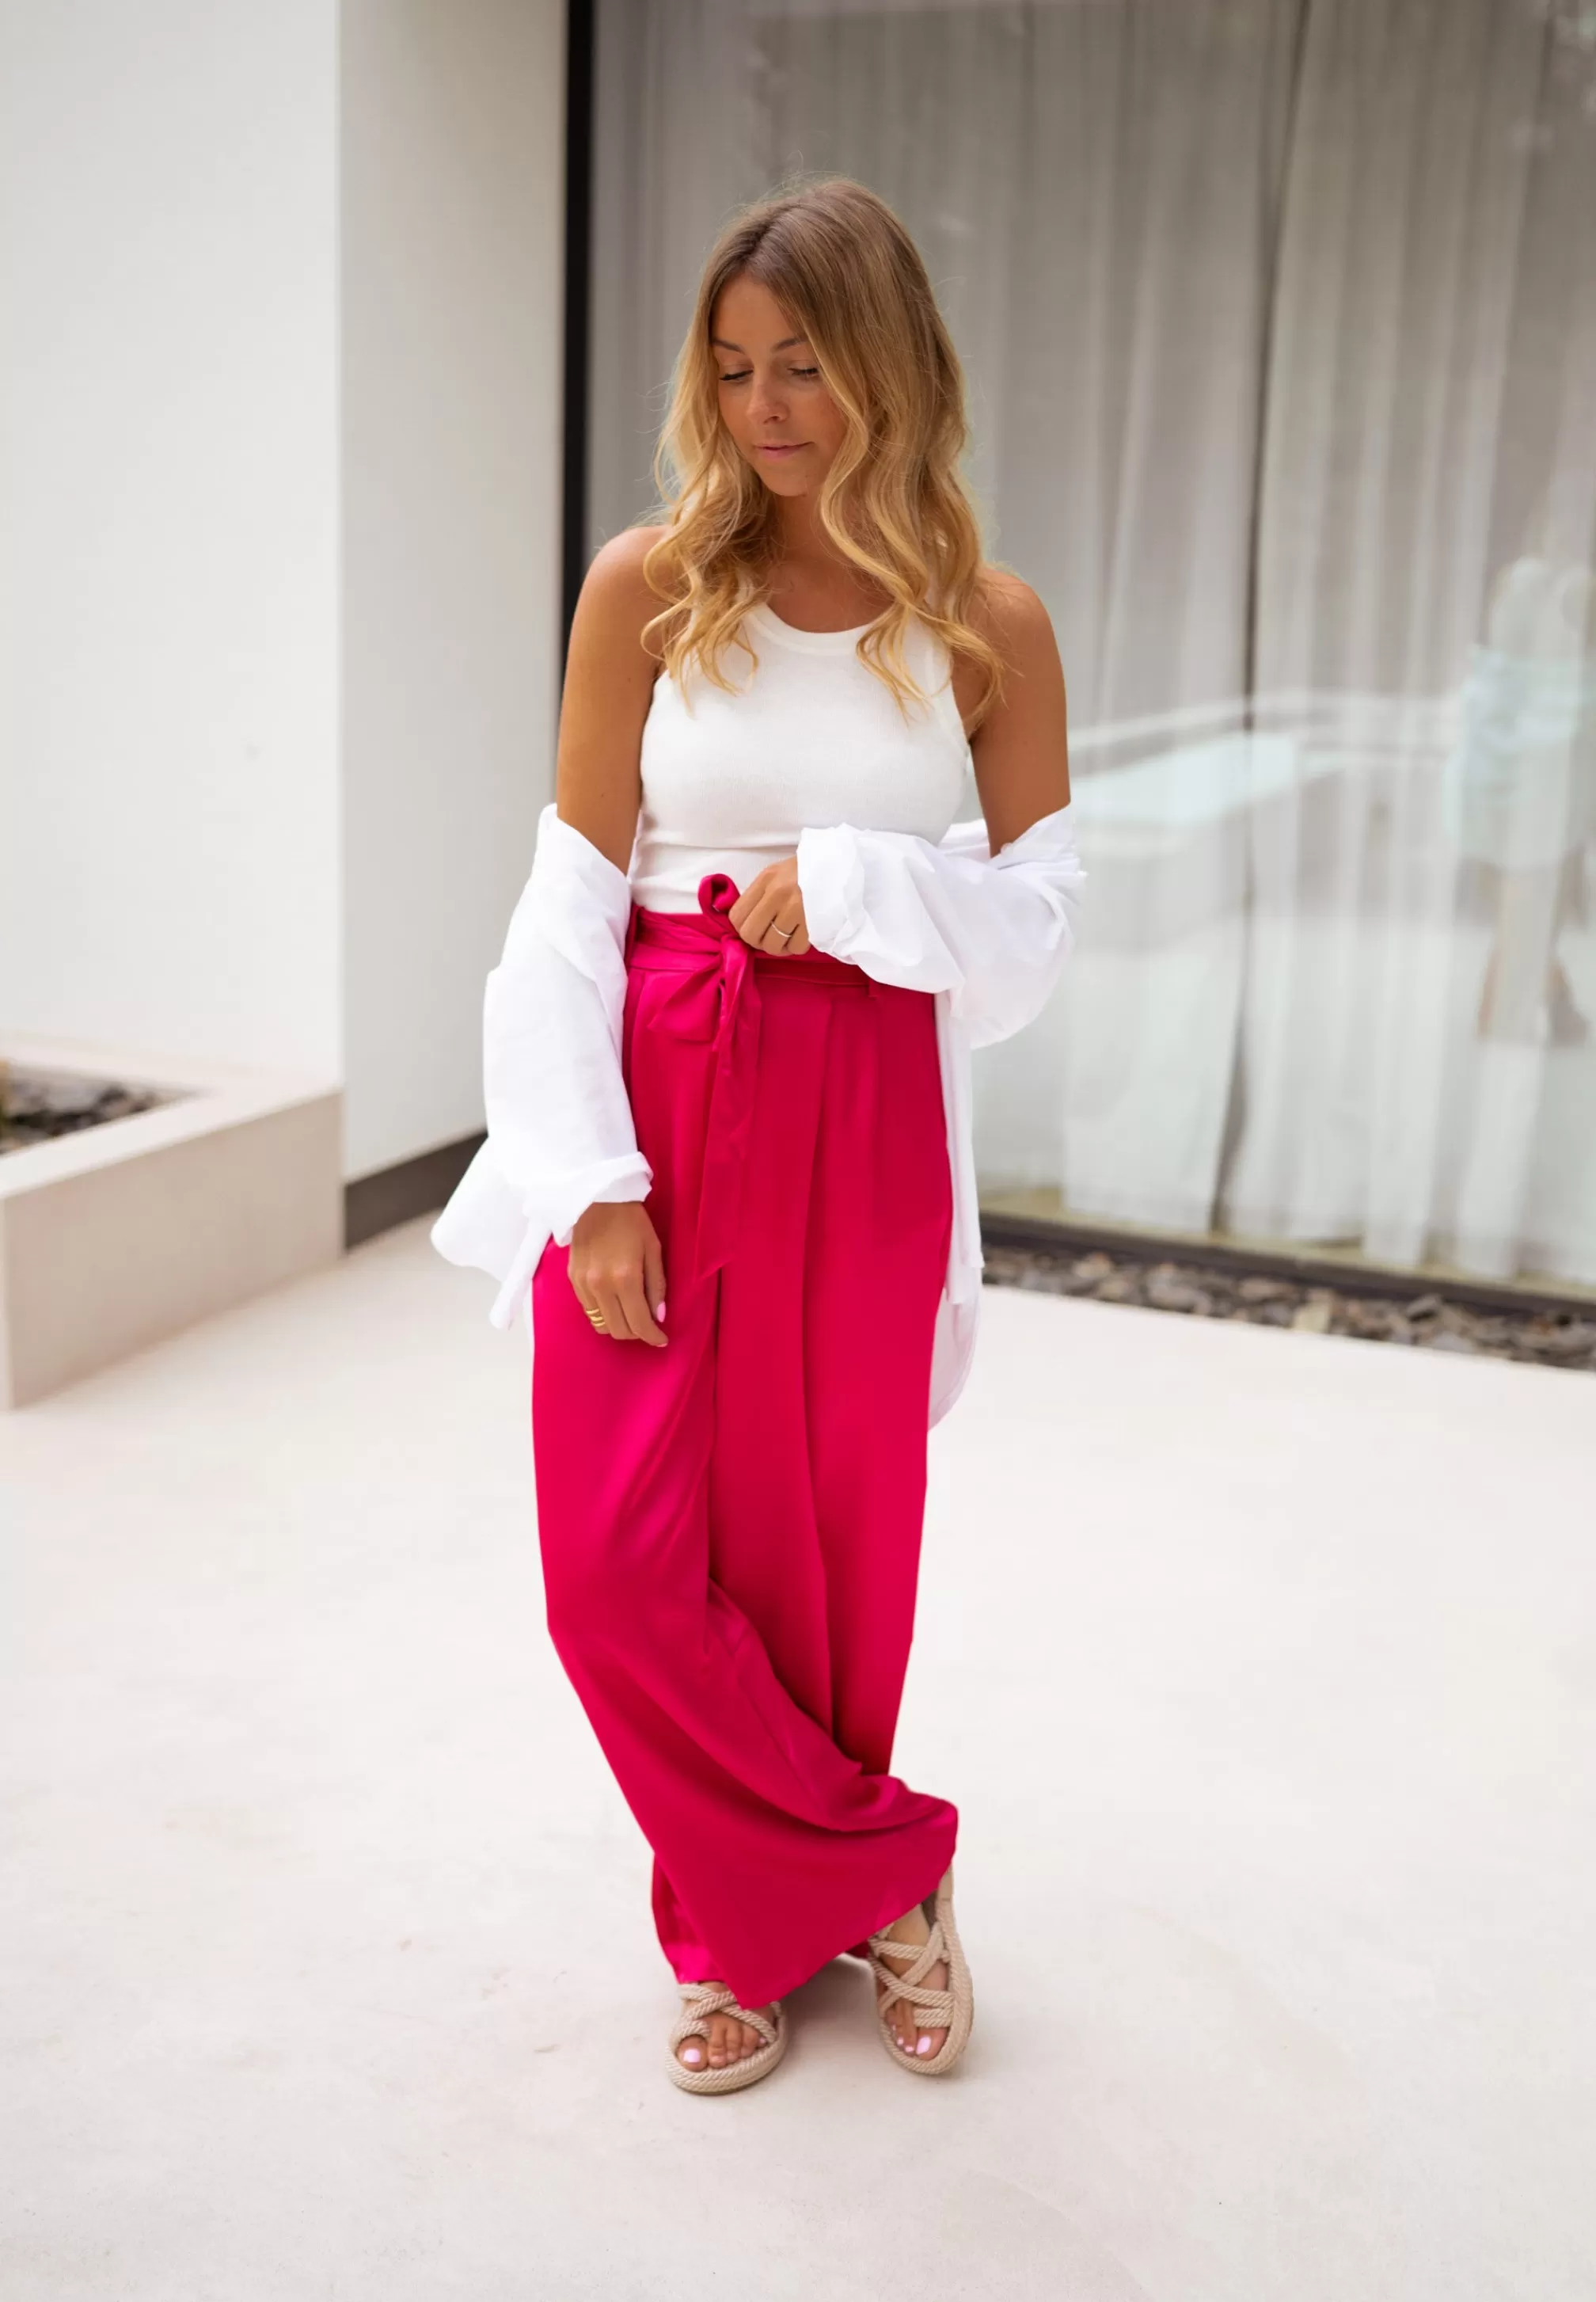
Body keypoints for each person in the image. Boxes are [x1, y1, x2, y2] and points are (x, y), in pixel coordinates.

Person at [437, 176, 1076, 2095]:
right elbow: (566, 902)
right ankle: (885, 1872)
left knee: (826, 1547)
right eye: (731, 369)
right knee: (613, 1566)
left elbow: (1038, 935)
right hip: (658, 1086)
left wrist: (864, 886)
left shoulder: (985, 623)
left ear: (892, 364)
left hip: (864, 1110)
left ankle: (740, 1931)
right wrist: (590, 1182)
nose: (765, 407)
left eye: (804, 363)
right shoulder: (648, 587)